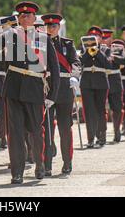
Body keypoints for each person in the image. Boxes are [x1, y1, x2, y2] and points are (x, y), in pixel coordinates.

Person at [0, 1, 60, 184]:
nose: (24, 17)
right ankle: (17, 172)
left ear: (35, 18)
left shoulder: (44, 39)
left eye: (28, 15)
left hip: (35, 88)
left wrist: (52, 95)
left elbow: (54, 68)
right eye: (21, 15)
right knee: (15, 133)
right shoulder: (11, 35)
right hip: (13, 88)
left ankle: (40, 164)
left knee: (36, 131)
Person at [41, 13, 81, 175]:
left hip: (64, 87)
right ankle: (47, 164)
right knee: (47, 128)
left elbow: (76, 63)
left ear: (58, 27)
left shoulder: (67, 44)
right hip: (47, 87)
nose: (51, 29)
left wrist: (74, 76)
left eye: (54, 26)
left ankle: (67, 162)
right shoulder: (39, 44)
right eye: (48, 26)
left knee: (65, 127)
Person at [80, 26, 112, 148]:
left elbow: (108, 65)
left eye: (97, 36)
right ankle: (90, 138)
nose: (94, 38)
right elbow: (80, 62)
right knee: (89, 111)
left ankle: (101, 136)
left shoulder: (105, 49)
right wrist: (87, 52)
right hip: (87, 82)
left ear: (100, 38)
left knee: (100, 110)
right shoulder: (83, 49)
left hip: (101, 82)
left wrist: (97, 52)